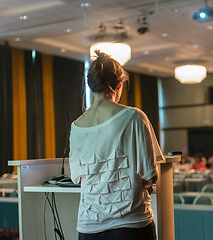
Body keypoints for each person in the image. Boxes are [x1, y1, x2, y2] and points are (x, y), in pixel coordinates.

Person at [69, 51, 161, 240]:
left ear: (90, 86)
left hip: (89, 228)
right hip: (131, 225)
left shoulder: (76, 127)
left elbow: (77, 178)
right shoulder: (135, 117)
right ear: (119, 86)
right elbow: (151, 176)